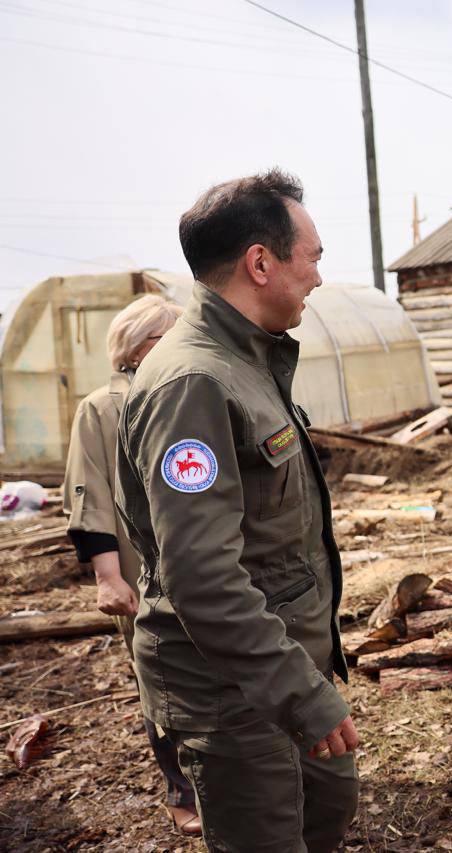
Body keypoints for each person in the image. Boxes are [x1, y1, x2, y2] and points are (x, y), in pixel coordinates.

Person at [116, 169, 359, 851]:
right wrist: (299, 694)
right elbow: (201, 575)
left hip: (280, 672)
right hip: (234, 695)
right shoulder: (194, 380)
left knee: (326, 818)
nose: (316, 275)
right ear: (261, 261)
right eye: (311, 256)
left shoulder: (245, 361)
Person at [63, 294, 198, 836]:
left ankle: (232, 779)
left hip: (202, 569)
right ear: (138, 347)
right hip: (142, 575)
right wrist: (107, 575)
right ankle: (181, 790)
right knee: (162, 684)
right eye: (168, 336)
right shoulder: (101, 408)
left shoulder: (189, 396)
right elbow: (87, 494)